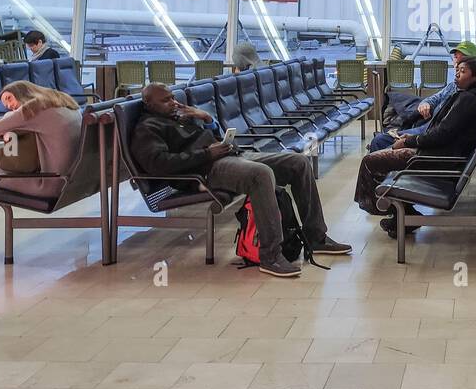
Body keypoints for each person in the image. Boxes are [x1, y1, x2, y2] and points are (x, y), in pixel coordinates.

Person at [130, 83, 350, 277]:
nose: (173, 103)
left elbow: (213, 138)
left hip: (231, 156)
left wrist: (206, 119)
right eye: (166, 100)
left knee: (298, 163)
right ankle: (270, 255)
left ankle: (316, 237)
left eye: (173, 97)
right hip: (208, 169)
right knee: (260, 174)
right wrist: (208, 154)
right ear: (148, 103)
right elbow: (159, 164)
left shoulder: (181, 118)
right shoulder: (147, 129)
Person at [355, 56, 476, 237]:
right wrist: (414, 138)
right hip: (443, 153)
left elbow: (442, 134)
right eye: (457, 70)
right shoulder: (474, 95)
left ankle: (393, 210)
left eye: (463, 71)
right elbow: (442, 132)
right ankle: (400, 215)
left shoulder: (468, 100)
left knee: (370, 162)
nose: (457, 74)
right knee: (384, 150)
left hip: (437, 158)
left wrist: (410, 141)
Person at [0, 80, 84, 258]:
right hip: (72, 180)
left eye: (10, 99)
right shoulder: (63, 101)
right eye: (6, 104)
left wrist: (10, 122)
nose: (10, 106)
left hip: (50, 184)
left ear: (24, 92)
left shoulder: (35, 108)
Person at [367, 41, 476, 152]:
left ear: (474, 65)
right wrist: (427, 103)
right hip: (432, 125)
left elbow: (442, 133)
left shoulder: (472, 93)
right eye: (456, 58)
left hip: (432, 132)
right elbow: (437, 97)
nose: (457, 62)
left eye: (462, 61)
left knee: (380, 141)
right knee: (389, 131)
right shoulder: (457, 84)